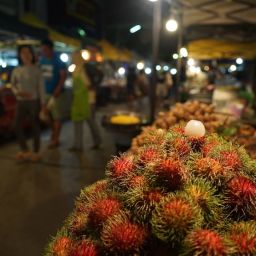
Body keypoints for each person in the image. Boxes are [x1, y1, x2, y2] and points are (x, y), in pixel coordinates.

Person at [11, 45, 45, 161]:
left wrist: (43, 104)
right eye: (23, 53)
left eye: (28, 52)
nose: (26, 55)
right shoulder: (16, 70)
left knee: (35, 126)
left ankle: (36, 152)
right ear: (20, 55)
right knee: (16, 125)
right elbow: (13, 85)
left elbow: (41, 88)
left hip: (34, 101)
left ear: (32, 55)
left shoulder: (37, 69)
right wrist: (18, 93)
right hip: (21, 101)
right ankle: (24, 150)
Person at [70, 51, 101, 151]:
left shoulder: (87, 67)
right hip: (78, 100)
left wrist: (94, 85)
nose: (73, 58)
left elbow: (100, 75)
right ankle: (77, 145)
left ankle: (98, 141)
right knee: (77, 121)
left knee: (91, 121)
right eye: (73, 57)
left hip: (89, 99)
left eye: (74, 56)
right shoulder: (74, 69)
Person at [40, 39, 67, 148]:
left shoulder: (58, 60)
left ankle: (56, 139)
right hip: (45, 93)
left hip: (57, 94)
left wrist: (58, 88)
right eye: (42, 50)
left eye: (45, 50)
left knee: (56, 117)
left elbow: (63, 76)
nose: (43, 52)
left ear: (51, 49)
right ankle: (54, 133)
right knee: (44, 115)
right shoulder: (42, 60)